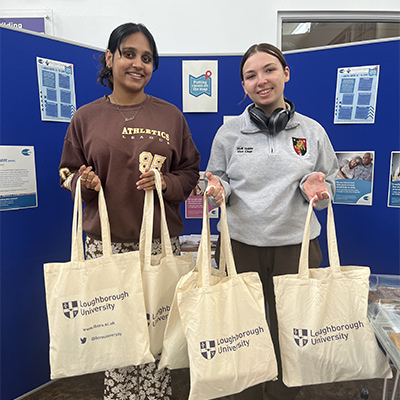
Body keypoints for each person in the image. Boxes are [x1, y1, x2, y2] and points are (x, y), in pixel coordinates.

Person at [58, 22, 200, 400]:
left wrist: (167, 183)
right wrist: (82, 184)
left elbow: (190, 171)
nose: (138, 64)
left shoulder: (171, 116)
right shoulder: (85, 118)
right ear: (110, 58)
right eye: (129, 54)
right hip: (106, 248)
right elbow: (66, 172)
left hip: (159, 247)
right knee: (116, 339)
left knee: (157, 338)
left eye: (147, 58)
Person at [205, 43, 338, 400]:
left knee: (291, 328)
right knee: (241, 326)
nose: (261, 80)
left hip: (296, 247)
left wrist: (319, 190)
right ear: (244, 85)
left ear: (286, 74)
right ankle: (246, 391)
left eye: (269, 70)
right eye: (251, 75)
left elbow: (331, 186)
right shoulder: (229, 133)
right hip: (240, 247)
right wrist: (217, 189)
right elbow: (219, 181)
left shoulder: (312, 132)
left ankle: (284, 392)